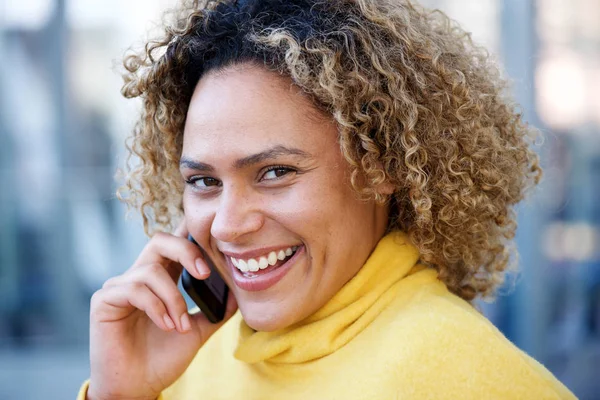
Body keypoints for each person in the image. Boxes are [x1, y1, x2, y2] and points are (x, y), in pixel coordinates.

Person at [78, 0, 577, 398]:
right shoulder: (185, 357)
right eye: (204, 182)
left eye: (274, 172)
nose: (227, 226)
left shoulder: (472, 380)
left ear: (381, 166)